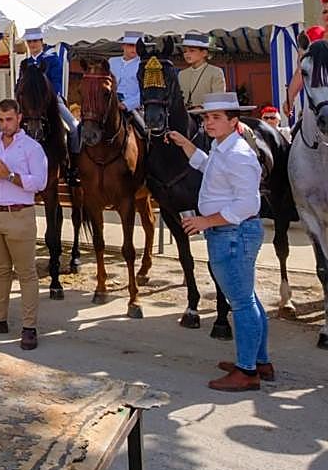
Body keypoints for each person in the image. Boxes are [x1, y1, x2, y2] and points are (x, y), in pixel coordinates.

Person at [166, 92, 271, 391]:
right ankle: (258, 361)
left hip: (233, 235)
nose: (208, 123)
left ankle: (247, 370)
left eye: (215, 118)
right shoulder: (223, 147)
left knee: (241, 303)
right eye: (205, 118)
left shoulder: (238, 154)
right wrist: (187, 146)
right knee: (248, 299)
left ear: (233, 121)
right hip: (230, 234)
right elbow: (210, 166)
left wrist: (205, 221)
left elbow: (247, 206)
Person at [0, 99, 48, 350]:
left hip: (20, 215)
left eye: (9, 120)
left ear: (19, 118)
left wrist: (10, 176)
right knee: (0, 271)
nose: (5, 125)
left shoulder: (32, 148)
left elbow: (39, 182)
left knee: (26, 273)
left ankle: (29, 326)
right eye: (1, 120)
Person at [20, 26, 79, 143]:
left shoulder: (52, 60)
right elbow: (20, 84)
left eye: (35, 41)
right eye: (29, 41)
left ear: (42, 42)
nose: (32, 44)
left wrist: (47, 99)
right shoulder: (25, 63)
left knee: (74, 127)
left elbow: (56, 83)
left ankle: (75, 155)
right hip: (29, 104)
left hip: (51, 100)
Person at [284, 0, 328, 114]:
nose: (327, 15)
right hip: (319, 103)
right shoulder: (314, 36)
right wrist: (290, 97)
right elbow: (302, 72)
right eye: (325, 11)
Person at [177, 32, 226, 114]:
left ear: (204, 53)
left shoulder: (216, 72)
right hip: (184, 116)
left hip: (207, 115)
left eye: (192, 51)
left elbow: (218, 98)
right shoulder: (181, 74)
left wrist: (202, 107)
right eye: (185, 51)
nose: (187, 54)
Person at [109, 31, 143, 111]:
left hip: (133, 106)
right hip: (109, 102)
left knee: (142, 123)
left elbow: (145, 91)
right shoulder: (112, 62)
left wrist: (127, 104)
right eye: (131, 45)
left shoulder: (143, 65)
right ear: (123, 46)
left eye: (137, 46)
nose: (134, 49)